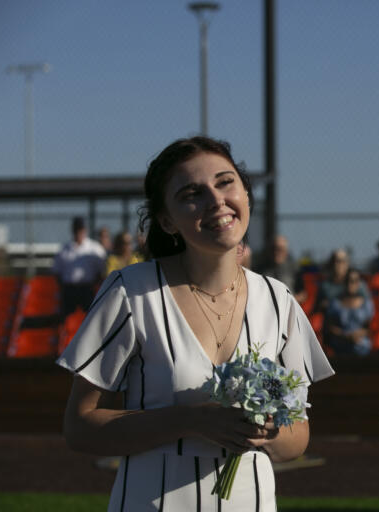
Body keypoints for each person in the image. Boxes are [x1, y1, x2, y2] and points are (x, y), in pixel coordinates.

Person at [57, 136, 334, 511]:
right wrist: (189, 420)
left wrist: (266, 431)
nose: (216, 200)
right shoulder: (131, 291)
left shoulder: (278, 299)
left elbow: (297, 437)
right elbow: (79, 427)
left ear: (246, 195)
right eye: (192, 193)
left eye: (225, 182)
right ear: (167, 220)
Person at [52, 216, 107, 319]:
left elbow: (101, 271)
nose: (79, 232)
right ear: (72, 230)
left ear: (85, 230)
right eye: (76, 229)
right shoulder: (64, 248)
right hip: (69, 289)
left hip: (87, 289)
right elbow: (57, 271)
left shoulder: (95, 248)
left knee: (90, 319)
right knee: (66, 319)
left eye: (81, 229)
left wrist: (94, 285)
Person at [324, 268, 374, 355]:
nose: (351, 284)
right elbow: (330, 326)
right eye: (348, 280)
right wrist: (346, 336)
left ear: (359, 283)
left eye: (354, 281)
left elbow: (370, 327)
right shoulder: (335, 303)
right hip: (341, 340)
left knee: (363, 346)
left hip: (360, 342)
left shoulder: (367, 303)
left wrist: (357, 335)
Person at [315, 248, 369, 312]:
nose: (340, 265)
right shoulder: (325, 286)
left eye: (343, 261)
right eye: (337, 261)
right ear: (332, 263)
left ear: (348, 263)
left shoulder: (358, 283)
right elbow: (319, 305)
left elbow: (367, 305)